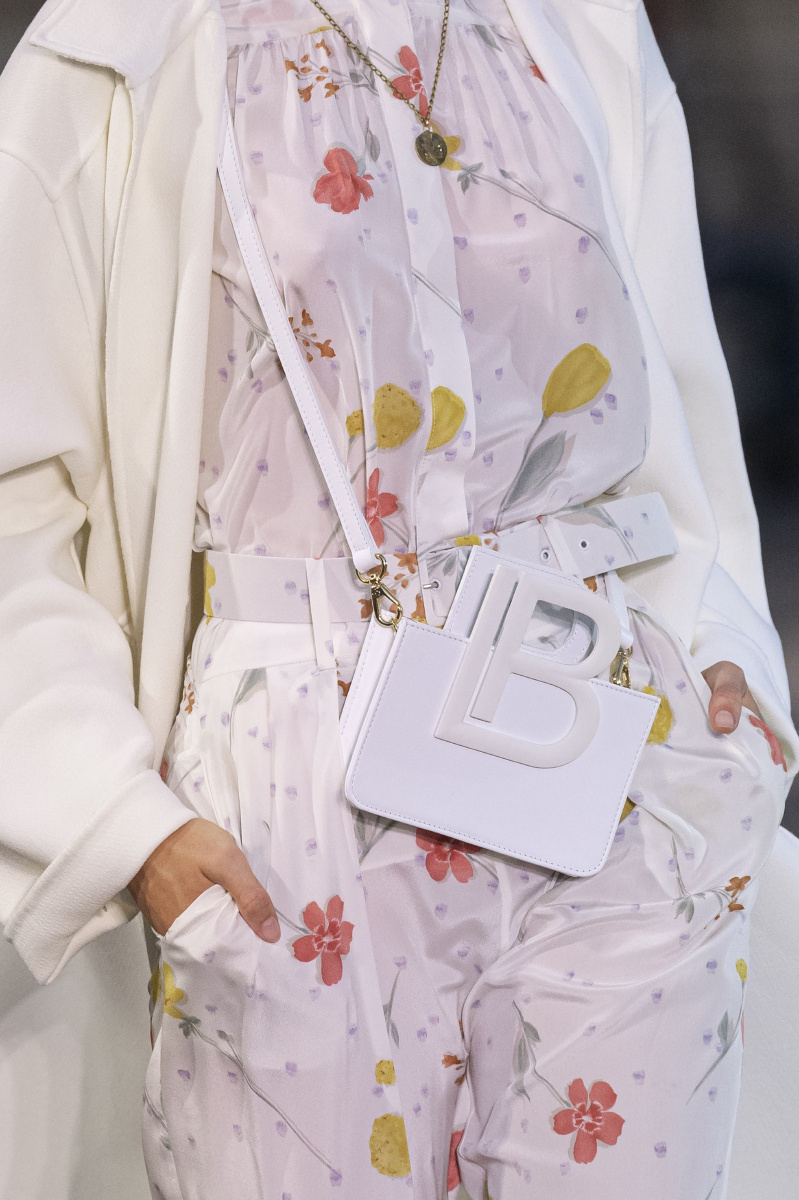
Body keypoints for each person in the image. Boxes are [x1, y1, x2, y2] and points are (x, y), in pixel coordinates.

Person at [0, 0, 794, 1196]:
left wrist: (717, 644)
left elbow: (672, 385)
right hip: (288, 810)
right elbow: (15, 487)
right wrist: (113, 817)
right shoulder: (120, 45)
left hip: (602, 738)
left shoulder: (578, 26)